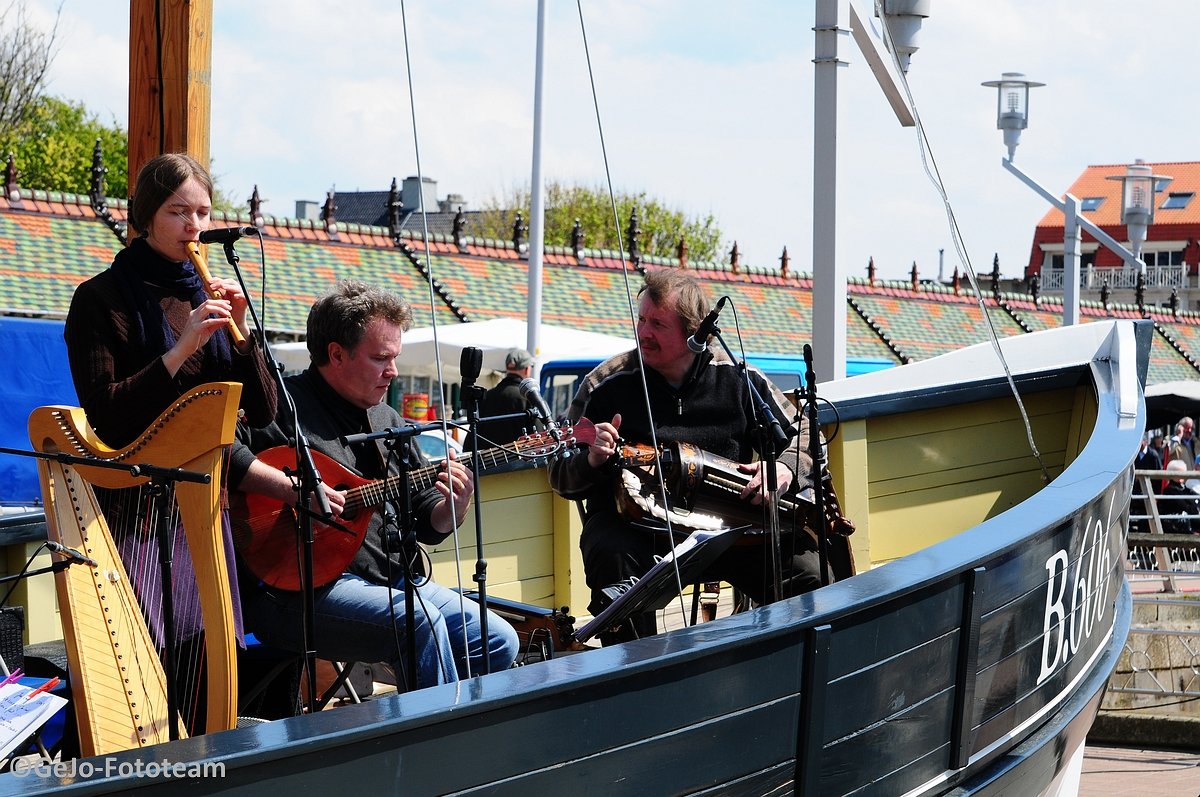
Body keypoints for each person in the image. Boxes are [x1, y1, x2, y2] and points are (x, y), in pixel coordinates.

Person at [63, 152, 279, 730]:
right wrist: (181, 347)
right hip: (134, 510)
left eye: (202, 212)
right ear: (145, 216)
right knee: (148, 670)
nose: (194, 227)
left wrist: (242, 336)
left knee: (208, 662)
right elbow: (107, 415)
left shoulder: (210, 290)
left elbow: (261, 413)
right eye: (178, 211)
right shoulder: (100, 299)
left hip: (202, 508)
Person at [231, 280, 518, 691]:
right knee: (421, 625)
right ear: (336, 354)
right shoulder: (277, 406)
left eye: (395, 357)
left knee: (495, 639)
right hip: (296, 590)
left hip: (389, 577)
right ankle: (437, 745)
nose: (394, 372)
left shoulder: (388, 421)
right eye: (381, 358)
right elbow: (225, 455)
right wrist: (293, 491)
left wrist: (454, 505)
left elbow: (425, 521)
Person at [548, 268, 828, 645]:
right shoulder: (606, 384)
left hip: (730, 527)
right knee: (610, 557)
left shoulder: (739, 378)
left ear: (696, 332)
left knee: (809, 574)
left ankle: (788, 672)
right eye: (641, 319)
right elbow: (559, 470)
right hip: (638, 531)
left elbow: (808, 433)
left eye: (658, 324)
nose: (643, 333)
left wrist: (783, 467)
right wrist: (591, 461)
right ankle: (635, 680)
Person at [464, 347, 539, 450]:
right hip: (519, 462)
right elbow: (539, 436)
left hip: (487, 461)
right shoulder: (528, 398)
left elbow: (471, 439)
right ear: (527, 369)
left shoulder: (486, 396)